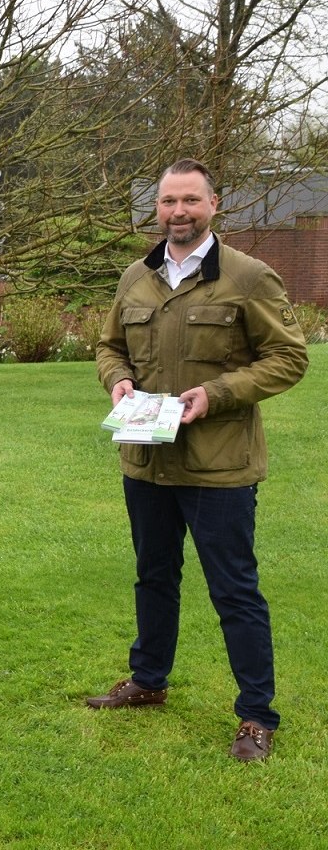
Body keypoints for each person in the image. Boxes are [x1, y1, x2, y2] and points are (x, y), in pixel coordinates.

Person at [89, 158, 307, 762]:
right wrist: (118, 379)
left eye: (190, 201)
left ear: (214, 204)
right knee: (153, 576)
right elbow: (109, 345)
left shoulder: (249, 276)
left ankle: (256, 716)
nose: (178, 212)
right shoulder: (136, 276)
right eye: (167, 202)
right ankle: (149, 681)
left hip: (220, 468)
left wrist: (218, 394)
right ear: (156, 209)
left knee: (234, 589)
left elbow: (289, 357)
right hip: (147, 461)